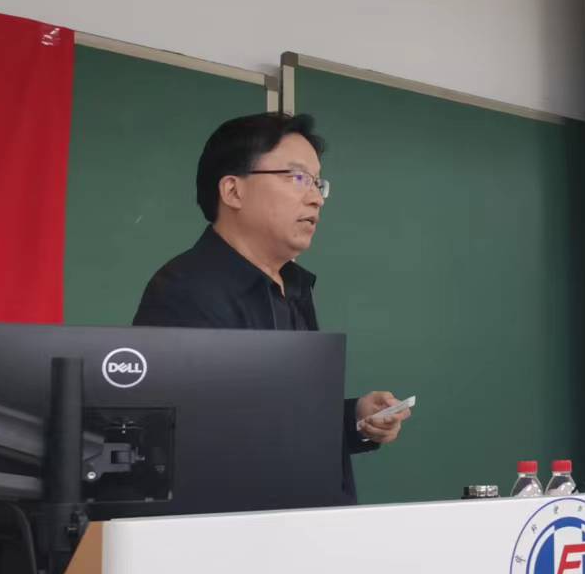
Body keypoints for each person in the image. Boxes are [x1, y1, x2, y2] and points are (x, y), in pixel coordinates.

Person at [133, 112, 407, 502]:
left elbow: (286, 420)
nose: (315, 198)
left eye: (318, 183)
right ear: (233, 191)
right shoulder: (185, 290)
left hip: (310, 525)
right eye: (297, 178)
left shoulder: (294, 288)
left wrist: (357, 420)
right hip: (240, 530)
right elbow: (197, 443)